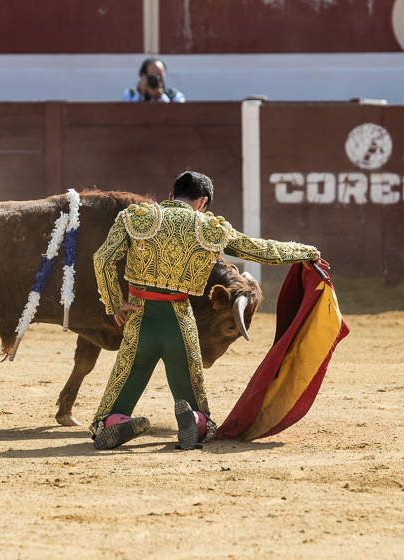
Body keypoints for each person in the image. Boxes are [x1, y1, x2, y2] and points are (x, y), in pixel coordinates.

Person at [90, 171, 322, 450]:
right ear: (202, 202)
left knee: (129, 374)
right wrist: (306, 251)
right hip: (179, 318)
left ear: (172, 195)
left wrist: (114, 302)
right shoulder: (210, 228)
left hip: (139, 317)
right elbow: (261, 250)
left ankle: (114, 421)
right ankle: (196, 421)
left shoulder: (137, 217)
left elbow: (102, 258)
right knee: (189, 385)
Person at [122, 57, 186, 103]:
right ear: (143, 76)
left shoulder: (174, 95)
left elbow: (180, 113)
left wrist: (160, 97)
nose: (157, 79)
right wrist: (141, 94)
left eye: (160, 76)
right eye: (152, 76)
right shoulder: (130, 94)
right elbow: (126, 113)